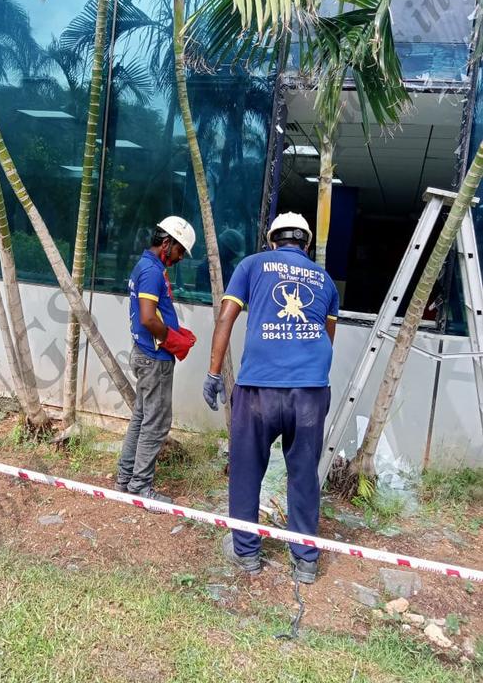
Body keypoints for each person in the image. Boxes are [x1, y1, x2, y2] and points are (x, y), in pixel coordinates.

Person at [202, 212, 339, 583]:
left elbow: (226, 318)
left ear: (272, 240)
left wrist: (214, 373)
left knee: (246, 470)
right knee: (303, 475)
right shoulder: (324, 279)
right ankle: (306, 561)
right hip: (309, 394)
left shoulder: (252, 265)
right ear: (306, 245)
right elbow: (328, 338)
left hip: (258, 388)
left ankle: (246, 553)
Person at [116, 216, 197, 503]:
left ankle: (126, 478)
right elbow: (149, 318)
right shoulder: (151, 271)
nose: (180, 259)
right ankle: (140, 486)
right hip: (154, 359)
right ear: (167, 243)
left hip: (145, 354)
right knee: (156, 423)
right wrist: (171, 339)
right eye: (179, 251)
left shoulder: (147, 266)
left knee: (141, 417)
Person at [195, 228, 245, 293]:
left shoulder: (230, 268)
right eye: (232, 254)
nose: (233, 257)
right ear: (224, 248)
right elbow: (204, 294)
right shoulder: (205, 268)